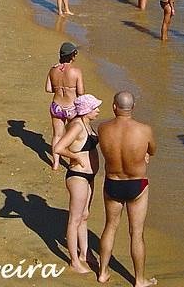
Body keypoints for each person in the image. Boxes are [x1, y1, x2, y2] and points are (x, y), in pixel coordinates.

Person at [97, 91, 156, 287]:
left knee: (110, 227)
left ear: (115, 107)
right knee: (136, 233)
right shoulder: (144, 129)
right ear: (132, 108)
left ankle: (103, 272)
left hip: (113, 182)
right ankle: (139, 280)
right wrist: (143, 155)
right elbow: (152, 150)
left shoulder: (103, 128)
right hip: (136, 183)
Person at [54, 94, 103, 274]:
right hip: (78, 176)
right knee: (74, 219)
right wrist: (75, 157)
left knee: (85, 216)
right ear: (86, 111)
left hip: (89, 176)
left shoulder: (87, 124)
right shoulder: (76, 126)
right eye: (95, 108)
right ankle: (74, 261)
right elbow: (59, 148)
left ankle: (84, 254)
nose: (98, 110)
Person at [45, 43, 85, 170]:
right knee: (72, 136)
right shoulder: (76, 71)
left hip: (56, 105)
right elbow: (81, 92)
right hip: (71, 107)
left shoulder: (53, 70)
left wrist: (59, 88)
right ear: (72, 56)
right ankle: (72, 161)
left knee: (57, 134)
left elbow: (48, 88)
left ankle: (55, 163)